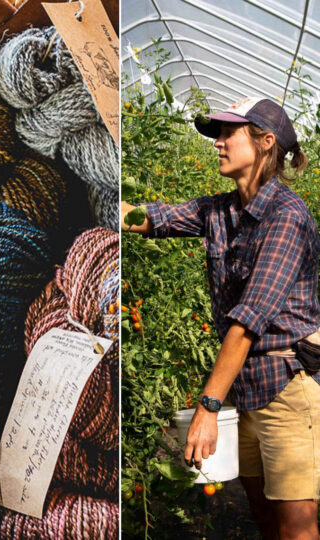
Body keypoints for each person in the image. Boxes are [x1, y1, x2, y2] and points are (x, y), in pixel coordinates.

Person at [122, 97, 320, 540]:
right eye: (217, 134)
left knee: (297, 525)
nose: (218, 143)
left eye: (229, 133)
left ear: (265, 142)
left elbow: (248, 322)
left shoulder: (286, 217)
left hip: (288, 387)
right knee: (261, 511)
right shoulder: (221, 210)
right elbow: (152, 217)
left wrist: (208, 406)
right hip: (247, 389)